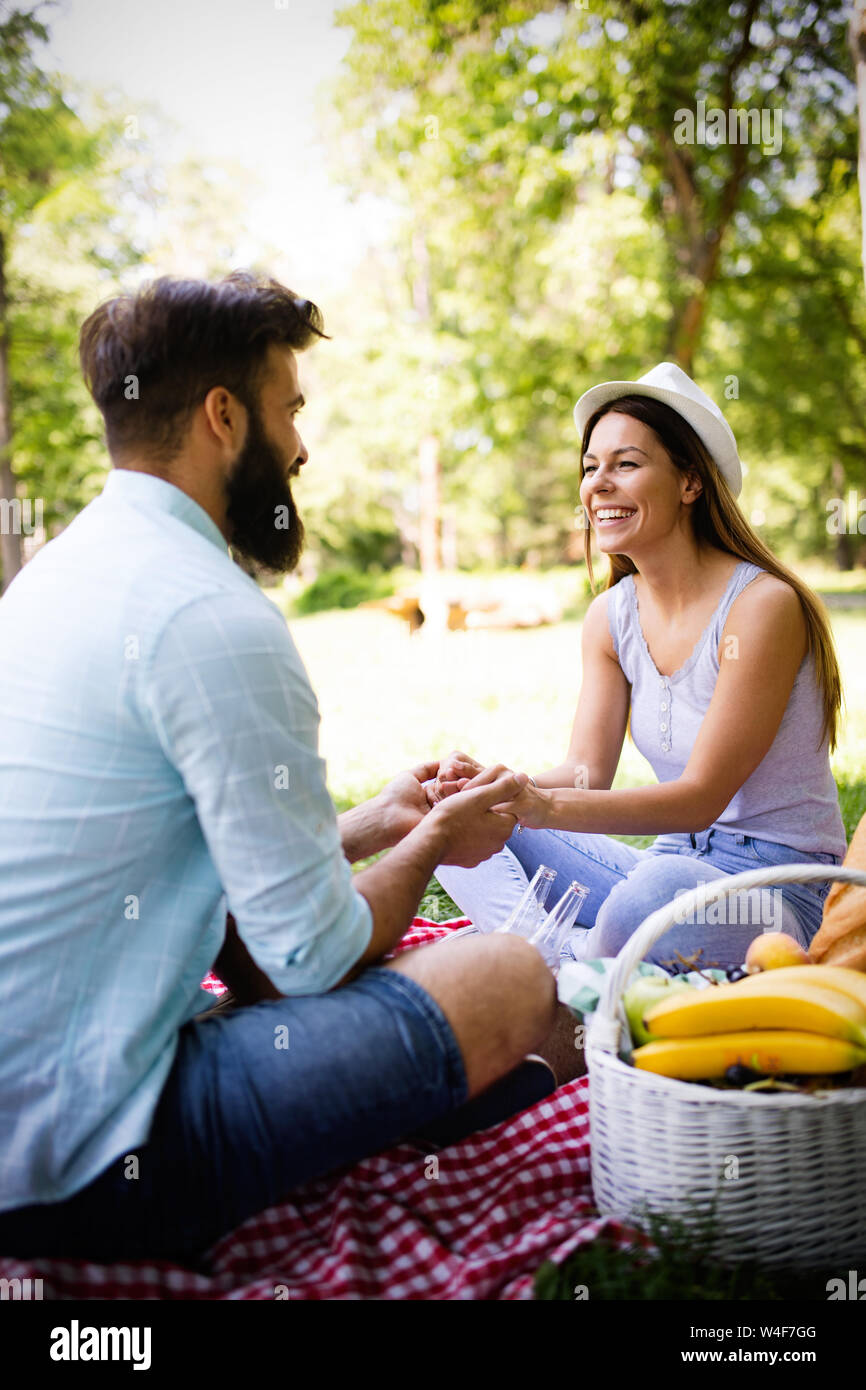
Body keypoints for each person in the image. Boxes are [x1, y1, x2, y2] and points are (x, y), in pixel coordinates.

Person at [0, 272, 561, 1266]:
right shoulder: (211, 614)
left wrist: (379, 821)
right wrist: (433, 839)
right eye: (289, 407)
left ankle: (404, 1089)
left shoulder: (57, 577)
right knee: (507, 972)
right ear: (225, 416)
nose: (300, 447)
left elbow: (193, 861)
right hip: (91, 1163)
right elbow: (307, 957)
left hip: (28, 1121)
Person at [434, 362, 846, 972]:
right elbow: (584, 775)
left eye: (625, 464)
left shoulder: (762, 607)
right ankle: (564, 958)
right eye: (589, 467)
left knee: (646, 904)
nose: (598, 483)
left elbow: (699, 799)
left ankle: (558, 956)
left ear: (689, 483)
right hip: (665, 865)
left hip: (776, 891)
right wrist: (495, 790)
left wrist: (542, 808)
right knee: (449, 823)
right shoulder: (610, 617)